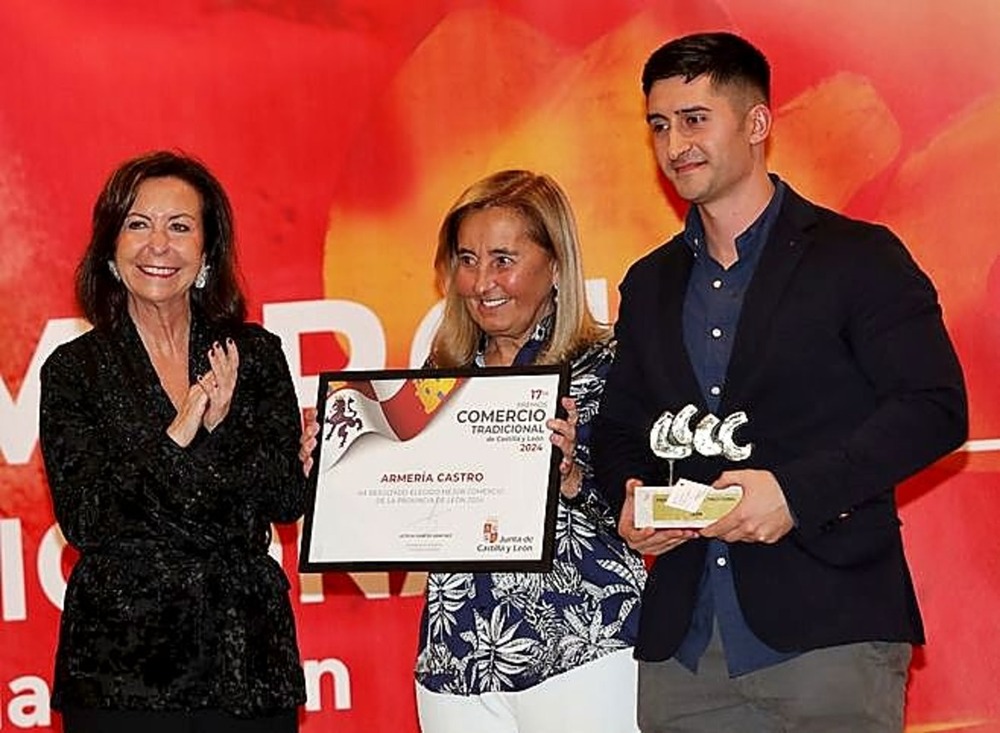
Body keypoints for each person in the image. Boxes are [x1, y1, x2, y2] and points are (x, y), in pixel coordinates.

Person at [591, 32, 968, 733]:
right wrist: (631, 495)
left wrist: (796, 493)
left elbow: (935, 407)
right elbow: (619, 429)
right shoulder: (650, 282)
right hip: (685, 645)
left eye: (695, 119)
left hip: (830, 631)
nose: (676, 145)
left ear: (757, 123)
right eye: (660, 125)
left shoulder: (859, 258)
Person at [299, 170, 646, 733]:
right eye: (466, 259)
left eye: (503, 259)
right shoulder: (434, 386)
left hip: (584, 647)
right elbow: (409, 520)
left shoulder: (612, 367)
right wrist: (336, 476)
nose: (482, 281)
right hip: (456, 660)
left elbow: (646, 513)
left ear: (555, 265)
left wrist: (574, 480)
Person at [39, 151, 307, 733]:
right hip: (122, 666)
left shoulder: (254, 355)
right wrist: (180, 432)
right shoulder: (74, 370)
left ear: (207, 254)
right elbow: (89, 517)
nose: (158, 245)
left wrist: (220, 425)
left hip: (247, 660)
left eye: (180, 227)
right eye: (139, 224)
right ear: (111, 249)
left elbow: (286, 495)